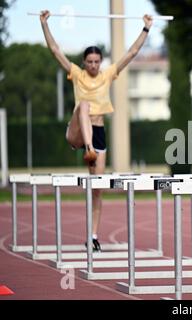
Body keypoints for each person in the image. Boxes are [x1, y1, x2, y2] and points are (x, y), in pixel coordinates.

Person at [40, 10, 153, 252]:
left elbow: (131, 53)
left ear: (100, 62)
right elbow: (55, 51)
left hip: (99, 133)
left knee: (97, 189)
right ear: (83, 62)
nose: (92, 65)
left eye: (96, 62)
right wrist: (44, 24)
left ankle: (92, 236)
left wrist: (146, 28)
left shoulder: (107, 75)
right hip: (77, 132)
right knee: (84, 105)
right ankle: (89, 148)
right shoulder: (77, 75)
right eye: (89, 61)